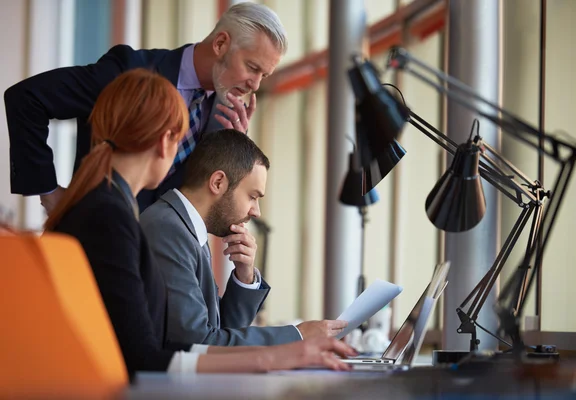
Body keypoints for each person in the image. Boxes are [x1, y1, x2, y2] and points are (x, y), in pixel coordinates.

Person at [44, 69, 355, 378]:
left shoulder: (108, 208)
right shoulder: (115, 218)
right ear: (167, 141)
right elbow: (150, 354)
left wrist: (250, 287)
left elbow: (193, 336)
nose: (256, 211)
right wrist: (276, 354)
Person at [4, 2, 287, 213]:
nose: (256, 85)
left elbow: (200, 203)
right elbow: (27, 98)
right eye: (252, 68)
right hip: (89, 250)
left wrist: (232, 150)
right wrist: (48, 191)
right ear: (221, 43)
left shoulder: (223, 115)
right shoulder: (130, 71)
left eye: (264, 75)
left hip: (153, 275)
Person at [140, 129, 347, 346]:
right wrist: (298, 335)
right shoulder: (169, 229)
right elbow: (199, 342)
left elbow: (219, 333)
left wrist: (245, 276)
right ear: (218, 182)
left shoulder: (186, 228)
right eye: (252, 196)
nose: (256, 211)